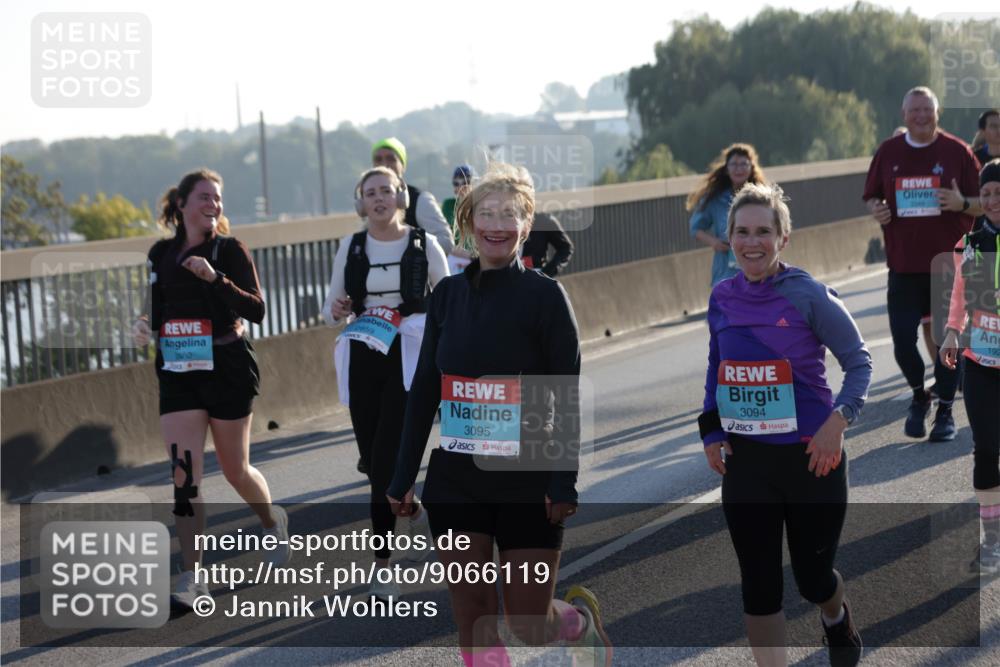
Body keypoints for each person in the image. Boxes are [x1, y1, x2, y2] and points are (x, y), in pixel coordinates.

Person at [386, 162, 611, 667]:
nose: (495, 225)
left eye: (508, 215)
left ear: (526, 226)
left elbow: (566, 395)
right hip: (457, 480)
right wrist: (402, 477)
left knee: (530, 625)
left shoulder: (546, 297)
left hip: (526, 477)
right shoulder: (446, 297)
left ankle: (576, 621)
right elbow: (424, 391)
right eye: (485, 213)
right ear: (468, 221)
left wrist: (563, 480)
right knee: (474, 614)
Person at [698, 183, 872, 667]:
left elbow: (859, 363)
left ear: (783, 238)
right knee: (758, 583)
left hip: (811, 457)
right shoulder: (721, 298)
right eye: (742, 232)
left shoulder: (808, 295)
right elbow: (718, 369)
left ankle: (836, 617)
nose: (752, 242)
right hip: (748, 462)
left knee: (813, 579)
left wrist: (838, 423)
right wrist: (711, 432)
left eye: (764, 232)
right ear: (729, 237)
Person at [132, 168, 288, 610]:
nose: (213, 205)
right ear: (181, 205)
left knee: (235, 469)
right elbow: (157, 310)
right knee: (184, 478)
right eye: (203, 197)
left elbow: (256, 309)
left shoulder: (229, 249)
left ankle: (273, 521)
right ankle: (191, 576)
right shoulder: (161, 253)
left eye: (217, 198)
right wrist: (145, 326)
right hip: (179, 371)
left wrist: (214, 278)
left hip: (228, 365)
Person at [322, 166, 449, 599]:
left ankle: (383, 564)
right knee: (373, 457)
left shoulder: (424, 243)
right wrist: (339, 307)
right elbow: (329, 310)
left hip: (409, 356)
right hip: (364, 351)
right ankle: (412, 512)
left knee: (381, 466)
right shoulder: (352, 246)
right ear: (361, 201)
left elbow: (447, 303)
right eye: (370, 192)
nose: (378, 199)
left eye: (386, 191)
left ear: (400, 197)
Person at [863, 86, 982, 441]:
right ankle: (919, 395)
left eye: (926, 110)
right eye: (914, 110)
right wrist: (876, 209)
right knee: (902, 341)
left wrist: (962, 202)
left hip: (948, 262)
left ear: (937, 112)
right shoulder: (889, 152)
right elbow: (871, 195)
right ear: (903, 115)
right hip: (903, 264)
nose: (920, 116)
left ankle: (945, 410)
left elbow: (985, 202)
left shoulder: (957, 151)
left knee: (949, 340)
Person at [940, 158, 1000, 575]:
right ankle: (993, 539)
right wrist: (951, 331)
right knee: (985, 449)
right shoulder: (970, 241)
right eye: (989, 193)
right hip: (979, 362)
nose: (995, 199)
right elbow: (960, 295)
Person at [687, 143, 768, 287]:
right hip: (726, 269)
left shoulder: (763, 197)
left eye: (744, 164)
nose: (739, 169)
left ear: (751, 167)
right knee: (726, 307)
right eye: (734, 165)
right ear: (726, 169)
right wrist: (714, 243)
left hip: (756, 266)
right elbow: (695, 228)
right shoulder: (715, 199)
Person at [372, 137, 455, 255]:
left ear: (403, 166)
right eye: (378, 159)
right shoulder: (368, 201)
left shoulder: (420, 200)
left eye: (391, 159)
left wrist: (412, 254)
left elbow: (446, 242)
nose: (384, 164)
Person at [443, 164, 476, 274]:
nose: (461, 187)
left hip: (477, 258)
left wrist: (472, 256)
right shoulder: (448, 205)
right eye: (456, 183)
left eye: (465, 182)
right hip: (454, 257)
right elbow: (443, 236)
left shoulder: (481, 206)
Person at [521, 211, 574, 277]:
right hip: (507, 276)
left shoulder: (544, 220)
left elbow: (565, 247)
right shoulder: (507, 219)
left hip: (535, 275)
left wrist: (547, 272)